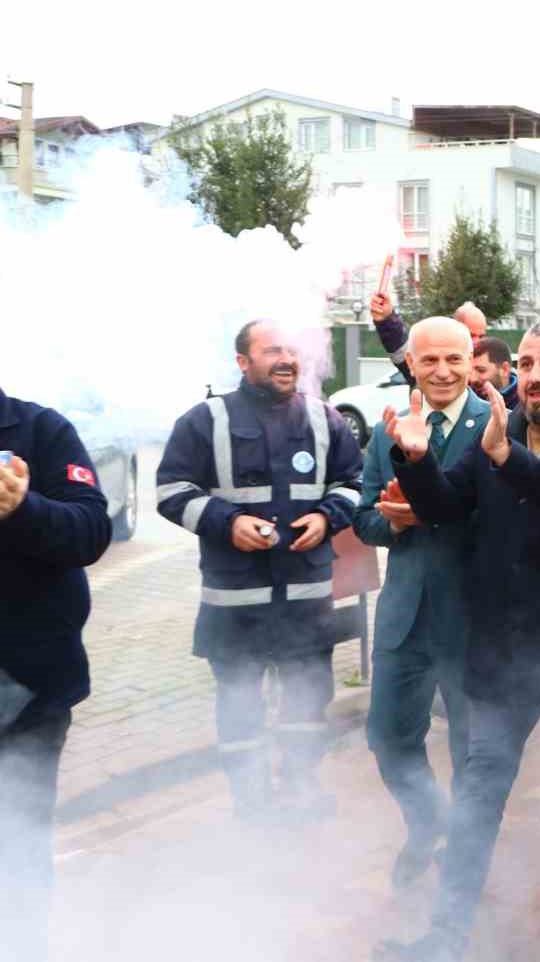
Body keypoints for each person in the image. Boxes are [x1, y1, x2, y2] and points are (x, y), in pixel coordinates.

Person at [373, 322, 540, 961]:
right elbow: (442, 507)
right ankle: (447, 935)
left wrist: (506, 458)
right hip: (504, 653)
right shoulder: (505, 426)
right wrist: (414, 460)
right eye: (525, 361)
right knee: (478, 791)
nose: (535, 374)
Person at [156, 320, 363, 822]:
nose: (286, 359)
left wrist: (326, 516)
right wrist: (227, 523)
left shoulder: (325, 418)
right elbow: (169, 492)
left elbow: (354, 483)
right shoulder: (204, 420)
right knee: (240, 712)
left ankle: (300, 788)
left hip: (306, 601)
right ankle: (251, 803)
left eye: (291, 350)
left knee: (307, 706)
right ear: (243, 362)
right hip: (235, 604)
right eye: (271, 351)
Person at [353, 318, 488, 890]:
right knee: (387, 737)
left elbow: (508, 521)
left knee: (471, 751)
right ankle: (426, 819)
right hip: (405, 619)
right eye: (428, 360)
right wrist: (393, 523)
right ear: (411, 363)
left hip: (473, 621)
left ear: (470, 359)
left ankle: (464, 855)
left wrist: (432, 509)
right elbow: (360, 516)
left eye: (453, 360)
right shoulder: (387, 431)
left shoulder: (494, 426)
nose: (441, 371)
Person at [1, 390, 112, 959]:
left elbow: (92, 531)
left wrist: (23, 508)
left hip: (25, 691)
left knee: (14, 848)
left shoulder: (41, 429)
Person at [368, 293, 490, 387]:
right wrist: (386, 319)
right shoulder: (426, 361)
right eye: (471, 335)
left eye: (481, 336)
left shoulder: (493, 366)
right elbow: (401, 349)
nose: (476, 342)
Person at [469, 336, 518, 406]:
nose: (472, 379)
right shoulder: (466, 399)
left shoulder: (526, 401)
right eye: (470, 371)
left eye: (481, 370)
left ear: (505, 369)